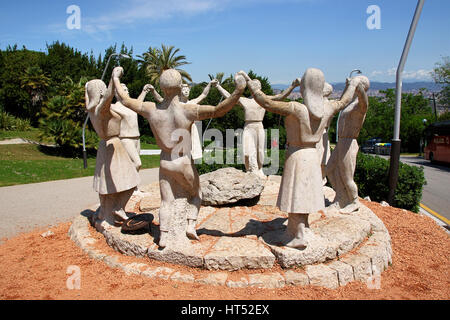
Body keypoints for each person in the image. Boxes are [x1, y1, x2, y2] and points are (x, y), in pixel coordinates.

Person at [112, 66, 246, 248]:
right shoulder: (187, 110)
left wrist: (115, 78)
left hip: (165, 161)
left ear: (161, 87)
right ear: (180, 85)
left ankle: (164, 236)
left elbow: (125, 100)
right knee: (197, 194)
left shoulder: (151, 109)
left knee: (166, 201)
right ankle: (191, 225)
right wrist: (238, 91)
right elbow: (218, 109)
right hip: (183, 161)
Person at [240, 69, 366, 248]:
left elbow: (266, 103)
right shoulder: (328, 107)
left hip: (297, 154)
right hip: (312, 154)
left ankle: (296, 234)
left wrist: (254, 90)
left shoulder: (296, 108)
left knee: (296, 194)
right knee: (305, 192)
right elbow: (344, 101)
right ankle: (303, 225)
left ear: (304, 87)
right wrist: (353, 85)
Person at [215, 76, 300, 177]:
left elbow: (280, 96)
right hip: (248, 126)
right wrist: (218, 86)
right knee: (246, 152)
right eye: (255, 85)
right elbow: (230, 97)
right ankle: (250, 170)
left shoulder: (264, 99)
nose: (257, 87)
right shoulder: (245, 100)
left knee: (260, 152)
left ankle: (259, 169)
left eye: (259, 86)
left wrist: (292, 86)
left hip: (259, 126)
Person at [85, 79, 140, 228]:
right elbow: (107, 97)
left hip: (105, 146)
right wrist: (114, 78)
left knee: (106, 185)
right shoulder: (101, 108)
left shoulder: (92, 109)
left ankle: (104, 212)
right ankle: (118, 208)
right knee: (132, 179)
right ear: (102, 92)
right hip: (114, 146)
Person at [326, 77, 370, 214]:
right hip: (342, 141)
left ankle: (354, 201)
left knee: (347, 176)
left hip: (349, 142)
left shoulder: (360, 105)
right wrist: (348, 86)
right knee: (329, 169)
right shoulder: (351, 103)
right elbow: (342, 101)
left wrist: (358, 87)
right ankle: (340, 195)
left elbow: (365, 101)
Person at [144, 80, 219, 160]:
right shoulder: (174, 105)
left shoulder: (192, 103)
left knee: (190, 157)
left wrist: (210, 84)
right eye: (184, 89)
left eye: (187, 89)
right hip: (178, 133)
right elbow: (160, 99)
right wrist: (153, 90)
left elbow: (203, 94)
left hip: (191, 134)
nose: (186, 91)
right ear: (179, 91)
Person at [111, 84, 153, 196]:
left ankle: (134, 189)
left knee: (134, 165)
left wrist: (144, 91)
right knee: (137, 163)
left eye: (127, 89)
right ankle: (126, 187)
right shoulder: (114, 107)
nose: (127, 91)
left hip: (136, 138)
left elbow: (139, 103)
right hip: (125, 138)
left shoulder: (130, 105)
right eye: (124, 90)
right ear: (117, 92)